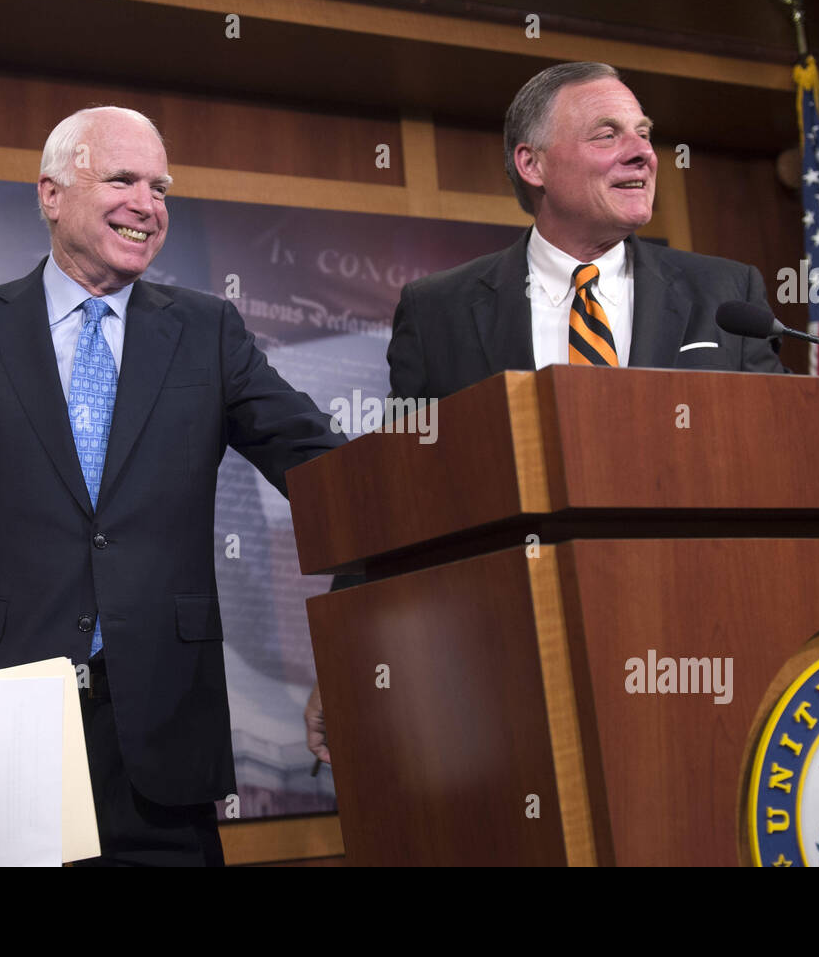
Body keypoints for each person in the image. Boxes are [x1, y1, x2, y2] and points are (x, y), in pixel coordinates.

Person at [0, 105, 345, 866]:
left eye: (160, 186)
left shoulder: (209, 331)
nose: (147, 205)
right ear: (51, 194)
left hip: (161, 737)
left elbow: (326, 471)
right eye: (122, 180)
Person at [303, 61, 787, 764]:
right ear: (531, 163)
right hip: (507, 667)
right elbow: (402, 498)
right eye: (607, 134)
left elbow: (777, 472)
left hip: (703, 651)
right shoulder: (439, 310)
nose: (642, 152)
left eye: (645, 134)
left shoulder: (726, 292)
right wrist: (348, 657)